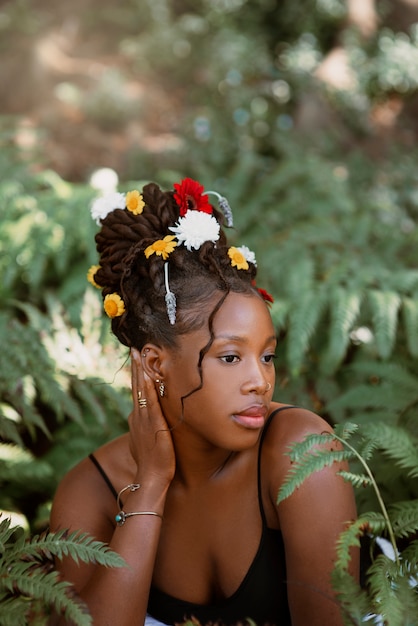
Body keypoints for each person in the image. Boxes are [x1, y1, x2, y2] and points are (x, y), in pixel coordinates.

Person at [49, 177, 358, 626]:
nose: (260, 381)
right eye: (230, 357)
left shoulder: (302, 454)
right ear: (154, 364)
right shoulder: (91, 492)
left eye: (267, 356)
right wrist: (149, 488)